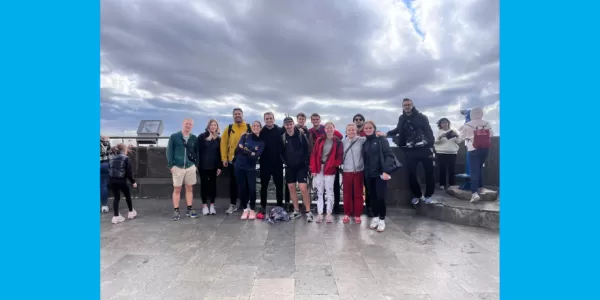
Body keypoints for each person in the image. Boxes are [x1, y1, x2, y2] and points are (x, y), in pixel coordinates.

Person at [386, 98, 436, 205]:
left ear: (412, 106)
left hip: (424, 149)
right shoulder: (402, 118)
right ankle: (417, 195)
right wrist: (386, 134)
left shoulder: (421, 117)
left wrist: (431, 145)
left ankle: (428, 195)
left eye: (409, 105)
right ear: (402, 107)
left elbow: (428, 131)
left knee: (429, 173)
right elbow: (398, 130)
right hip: (410, 150)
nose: (407, 107)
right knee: (411, 174)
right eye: (405, 105)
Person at [308, 113, 344, 214]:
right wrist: (313, 169)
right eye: (327, 128)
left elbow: (340, 156)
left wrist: (334, 164)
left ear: (334, 129)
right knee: (320, 191)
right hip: (319, 167)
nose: (329, 129)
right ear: (325, 129)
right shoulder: (320, 140)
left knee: (329, 191)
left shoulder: (337, 142)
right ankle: (320, 212)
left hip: (330, 168)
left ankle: (329, 212)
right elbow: (314, 154)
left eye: (331, 128)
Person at [363, 121, 394, 232]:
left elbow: (389, 155)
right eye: (366, 128)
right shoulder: (365, 142)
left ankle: (382, 219)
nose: (368, 129)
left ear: (374, 128)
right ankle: (375, 217)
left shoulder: (381, 140)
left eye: (370, 128)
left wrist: (386, 171)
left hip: (380, 174)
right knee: (372, 197)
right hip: (369, 174)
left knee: (381, 197)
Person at [281, 117, 313, 222]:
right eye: (287, 125)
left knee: (303, 188)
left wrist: (304, 163)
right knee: (291, 188)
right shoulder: (283, 137)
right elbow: (281, 152)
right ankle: (296, 210)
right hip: (289, 167)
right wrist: (286, 163)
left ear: (293, 124)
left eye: (290, 124)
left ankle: (308, 212)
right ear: (284, 126)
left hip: (301, 166)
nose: (289, 126)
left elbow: (307, 149)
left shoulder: (300, 135)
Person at [166, 118, 199, 221]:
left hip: (190, 166)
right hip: (178, 166)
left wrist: (196, 164)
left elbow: (196, 152)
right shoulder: (174, 137)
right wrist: (171, 165)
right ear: (183, 124)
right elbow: (169, 151)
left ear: (192, 126)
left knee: (189, 188)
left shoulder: (194, 138)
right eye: (186, 124)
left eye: (190, 124)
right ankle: (176, 210)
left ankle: (189, 209)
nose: (188, 126)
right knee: (177, 189)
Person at [221, 108, 252, 214]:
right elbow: (224, 144)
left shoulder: (249, 127)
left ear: (242, 115)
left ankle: (246, 203)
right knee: (233, 183)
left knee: (247, 183)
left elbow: (254, 141)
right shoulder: (229, 128)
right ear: (233, 116)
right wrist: (224, 158)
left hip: (246, 160)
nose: (237, 115)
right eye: (235, 114)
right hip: (232, 160)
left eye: (239, 114)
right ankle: (233, 204)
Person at [459, 107, 494, 203]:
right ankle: (481, 187)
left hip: (473, 149)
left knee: (474, 170)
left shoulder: (467, 124)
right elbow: (491, 134)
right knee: (479, 167)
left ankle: (474, 193)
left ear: (471, 115)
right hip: (485, 149)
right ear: (481, 114)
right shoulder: (487, 123)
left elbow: (461, 137)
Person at [235, 121, 265, 220]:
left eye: (257, 126)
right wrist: (251, 152)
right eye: (254, 126)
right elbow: (239, 149)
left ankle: (252, 209)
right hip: (239, 166)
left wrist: (245, 150)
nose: (255, 127)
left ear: (260, 128)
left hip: (251, 168)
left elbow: (256, 156)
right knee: (241, 188)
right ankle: (245, 209)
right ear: (251, 127)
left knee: (252, 189)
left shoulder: (261, 142)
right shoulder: (245, 137)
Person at [259, 112, 285, 214]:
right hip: (264, 163)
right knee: (264, 186)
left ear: (274, 119)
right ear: (264, 120)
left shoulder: (280, 130)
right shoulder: (262, 131)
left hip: (277, 163)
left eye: (270, 118)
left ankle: (279, 206)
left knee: (279, 186)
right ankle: (263, 206)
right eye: (267, 118)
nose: (269, 120)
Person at [341, 123, 368, 224]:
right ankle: (347, 213)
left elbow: (372, 137)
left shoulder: (361, 140)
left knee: (358, 194)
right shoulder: (343, 142)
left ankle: (357, 215)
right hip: (347, 171)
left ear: (356, 131)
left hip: (358, 171)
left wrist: (380, 134)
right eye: (349, 130)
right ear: (346, 132)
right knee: (347, 194)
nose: (351, 132)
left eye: (353, 130)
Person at [196, 119, 223, 215]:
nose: (213, 126)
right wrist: (197, 165)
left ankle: (212, 205)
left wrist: (220, 167)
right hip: (203, 166)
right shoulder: (201, 137)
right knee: (203, 186)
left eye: (215, 125)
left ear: (217, 127)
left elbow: (220, 154)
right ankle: (204, 205)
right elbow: (197, 151)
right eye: (211, 125)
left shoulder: (219, 139)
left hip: (214, 166)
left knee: (212, 186)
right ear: (208, 126)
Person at [108, 143, 137, 224]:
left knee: (116, 198)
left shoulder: (111, 158)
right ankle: (131, 212)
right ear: (125, 150)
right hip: (122, 181)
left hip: (112, 181)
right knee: (128, 196)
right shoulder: (126, 158)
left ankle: (115, 216)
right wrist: (133, 182)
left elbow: (109, 170)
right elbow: (129, 173)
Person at [352, 113, 372, 217]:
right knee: (355, 188)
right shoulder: (351, 134)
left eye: (360, 119)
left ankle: (369, 208)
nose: (358, 121)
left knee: (368, 188)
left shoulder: (368, 134)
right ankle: (355, 209)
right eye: (356, 119)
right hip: (355, 166)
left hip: (367, 165)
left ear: (363, 122)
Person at [434, 118, 460, 190]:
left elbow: (458, 141)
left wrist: (457, 135)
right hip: (441, 152)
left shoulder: (453, 131)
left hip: (452, 152)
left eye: (446, 122)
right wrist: (441, 136)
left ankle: (452, 184)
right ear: (440, 125)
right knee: (442, 169)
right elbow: (435, 142)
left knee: (452, 169)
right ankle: (442, 184)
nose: (444, 124)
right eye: (442, 123)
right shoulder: (438, 132)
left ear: (448, 123)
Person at [100, 135, 112, 213]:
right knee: (103, 185)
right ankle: (104, 206)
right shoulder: (105, 141)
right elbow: (110, 153)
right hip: (104, 164)